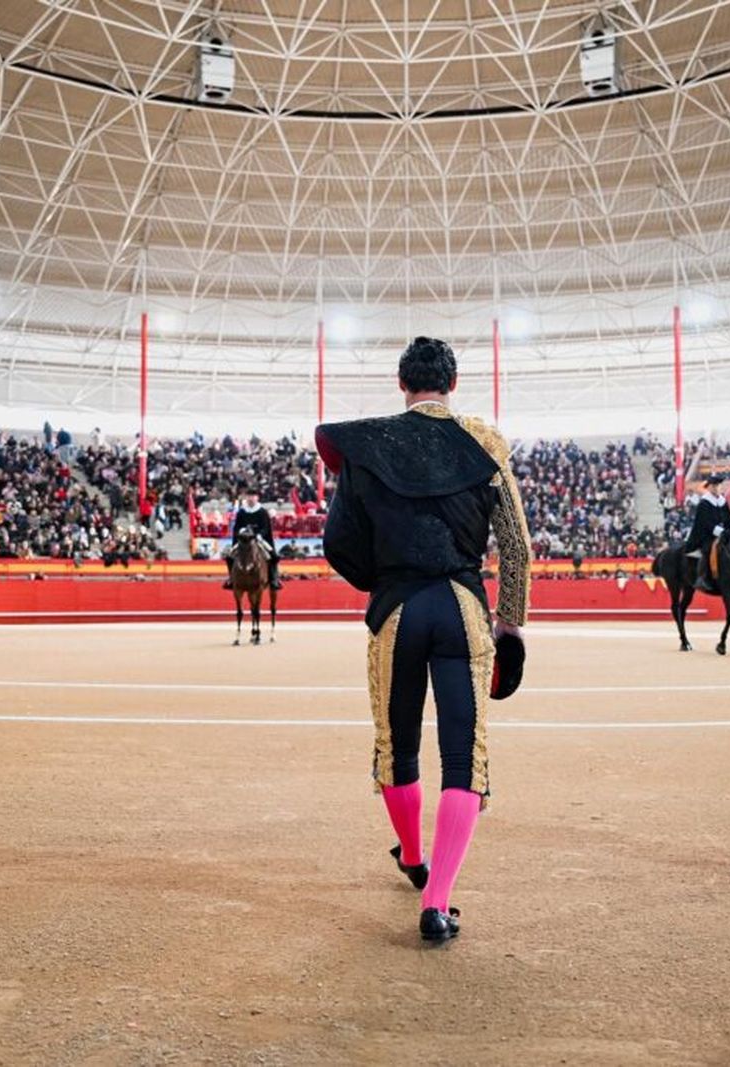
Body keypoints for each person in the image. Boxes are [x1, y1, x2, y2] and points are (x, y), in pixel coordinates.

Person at [316, 336, 531, 943]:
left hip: (397, 610)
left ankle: (413, 858)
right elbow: (515, 546)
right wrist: (510, 625)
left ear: (402, 385)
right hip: (462, 607)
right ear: (452, 384)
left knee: (398, 744)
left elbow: (339, 541)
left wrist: (380, 581)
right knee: (464, 758)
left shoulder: (369, 446)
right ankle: (436, 904)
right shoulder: (484, 442)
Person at [222, 484, 281, 590]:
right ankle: (231, 579)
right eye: (249, 496)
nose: (251, 498)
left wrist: (259, 535)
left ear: (257, 498)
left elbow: (266, 527)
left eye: (253, 496)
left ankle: (274, 579)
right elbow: (237, 527)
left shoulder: (262, 511)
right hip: (243, 539)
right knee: (229, 556)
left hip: (259, 539)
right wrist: (240, 531)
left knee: (273, 556)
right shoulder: (242, 511)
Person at [682, 473, 730, 591]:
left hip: (721, 534)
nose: (717, 488)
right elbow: (706, 524)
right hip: (704, 535)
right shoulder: (704, 503)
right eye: (714, 486)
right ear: (709, 487)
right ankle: (702, 577)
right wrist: (722, 532)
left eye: (718, 486)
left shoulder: (722, 501)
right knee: (708, 550)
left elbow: (729, 519)